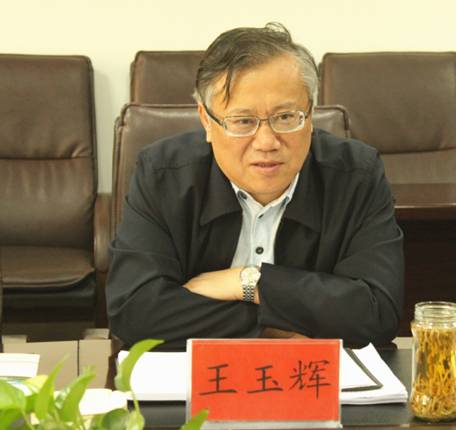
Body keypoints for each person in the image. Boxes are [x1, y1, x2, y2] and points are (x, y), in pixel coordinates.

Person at [106, 23, 404, 349]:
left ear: (310, 114)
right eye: (243, 121)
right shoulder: (163, 175)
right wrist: (266, 329)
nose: (266, 142)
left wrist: (250, 282)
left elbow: (377, 313)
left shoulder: (356, 175)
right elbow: (134, 311)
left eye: (286, 117)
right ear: (207, 121)